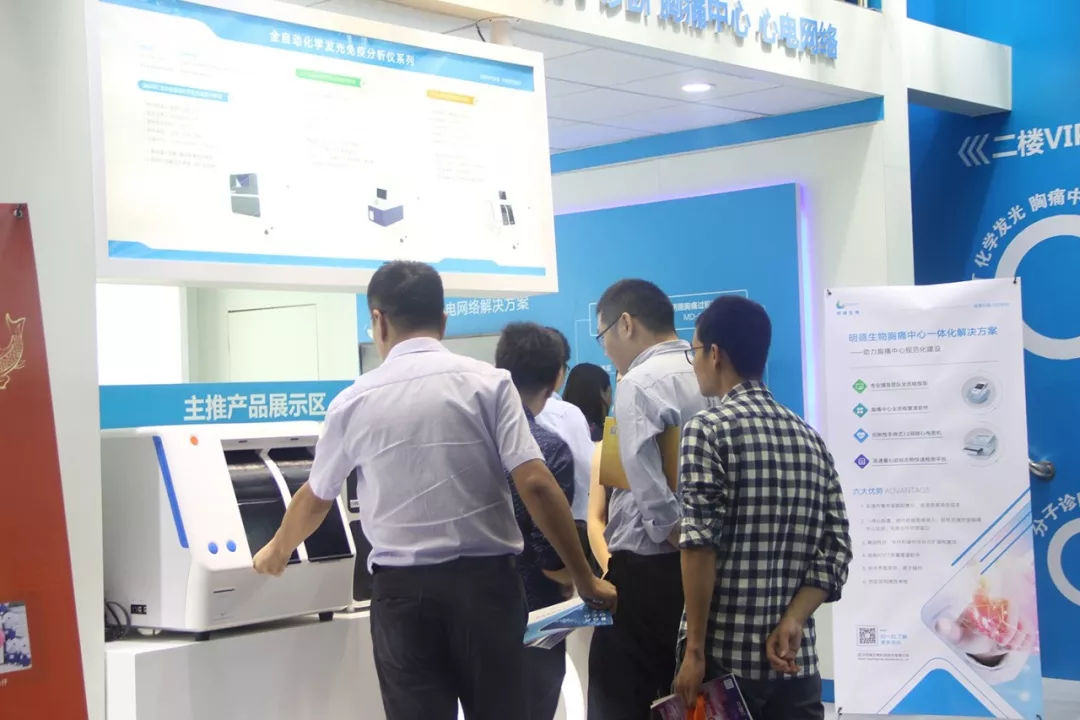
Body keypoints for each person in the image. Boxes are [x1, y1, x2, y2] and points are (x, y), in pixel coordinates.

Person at [252, 261, 616, 720]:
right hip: (488, 590)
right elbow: (537, 485)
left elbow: (316, 497)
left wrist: (278, 550)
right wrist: (584, 578)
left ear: (378, 320)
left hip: (402, 597)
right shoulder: (490, 384)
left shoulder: (353, 401)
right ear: (443, 321)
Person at [674, 295, 852, 720]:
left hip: (724, 664)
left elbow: (699, 545)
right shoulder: (810, 439)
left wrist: (694, 650)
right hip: (795, 663)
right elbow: (836, 550)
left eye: (694, 351)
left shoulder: (707, 430)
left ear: (715, 354)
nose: (694, 363)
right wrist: (793, 619)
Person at [588, 279, 712, 719]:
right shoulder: (708, 370)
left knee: (620, 698)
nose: (606, 350)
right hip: (706, 566)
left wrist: (680, 537)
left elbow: (648, 488)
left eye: (603, 336)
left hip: (650, 568)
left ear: (625, 324)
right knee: (688, 695)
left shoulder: (638, 382)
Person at [496, 322, 578, 720]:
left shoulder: (471, 440)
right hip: (536, 615)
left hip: (473, 604)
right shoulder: (549, 449)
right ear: (557, 377)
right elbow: (549, 558)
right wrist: (577, 577)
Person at [536, 328, 598, 572]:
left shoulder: (498, 410)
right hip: (569, 529)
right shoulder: (565, 413)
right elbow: (587, 474)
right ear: (559, 370)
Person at [562, 362, 612, 442]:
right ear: (603, 393)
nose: (611, 400)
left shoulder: (557, 426)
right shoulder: (601, 437)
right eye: (610, 393)